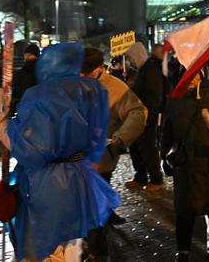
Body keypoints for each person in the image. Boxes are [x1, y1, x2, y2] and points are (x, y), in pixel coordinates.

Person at [0, 43, 120, 261]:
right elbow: (98, 136)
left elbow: (28, 148)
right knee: (71, 245)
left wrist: (3, 125)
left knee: (45, 248)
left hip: (46, 185)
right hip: (80, 179)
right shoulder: (92, 89)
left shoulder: (38, 95)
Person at [81, 47, 147, 261]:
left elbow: (138, 112)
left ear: (100, 68)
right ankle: (91, 237)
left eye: (87, 72)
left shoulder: (116, 88)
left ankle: (98, 252)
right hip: (75, 159)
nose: (82, 76)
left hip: (100, 160)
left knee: (92, 208)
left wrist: (119, 138)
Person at [162, 69, 209, 261]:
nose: (192, 78)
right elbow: (166, 132)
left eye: (196, 74)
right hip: (184, 166)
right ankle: (183, 250)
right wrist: (165, 157)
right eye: (188, 74)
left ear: (201, 76)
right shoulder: (175, 100)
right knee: (184, 210)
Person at [126, 43, 169, 192]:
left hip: (146, 115)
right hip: (138, 114)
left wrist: (148, 116)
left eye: (131, 57)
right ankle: (141, 176)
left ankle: (156, 179)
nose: (129, 61)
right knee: (136, 146)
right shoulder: (141, 69)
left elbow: (154, 96)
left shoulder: (150, 69)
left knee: (148, 147)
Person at [9, 43, 40, 115]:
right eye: (26, 55)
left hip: (32, 108)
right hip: (25, 108)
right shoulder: (22, 73)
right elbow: (17, 91)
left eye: (30, 55)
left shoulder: (41, 72)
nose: (27, 58)